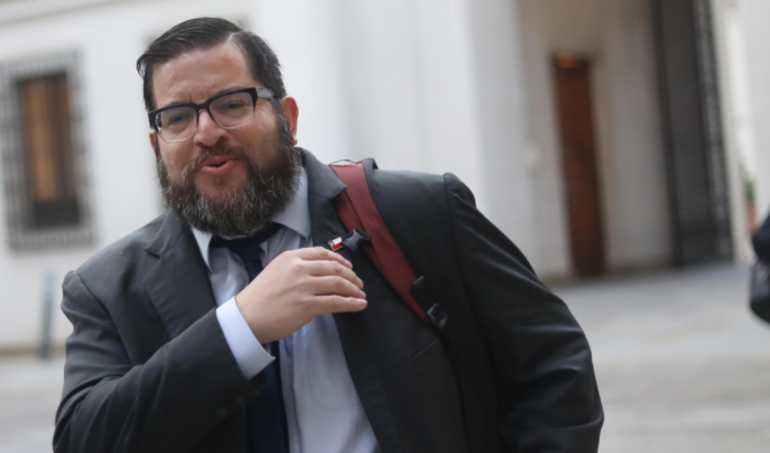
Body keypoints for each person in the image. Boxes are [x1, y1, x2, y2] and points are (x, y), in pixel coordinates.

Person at [53, 17, 603, 453]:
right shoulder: (107, 288)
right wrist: (240, 328)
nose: (207, 132)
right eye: (177, 117)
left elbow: (553, 366)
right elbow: (83, 439)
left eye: (232, 104)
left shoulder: (419, 212)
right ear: (157, 145)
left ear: (287, 117)